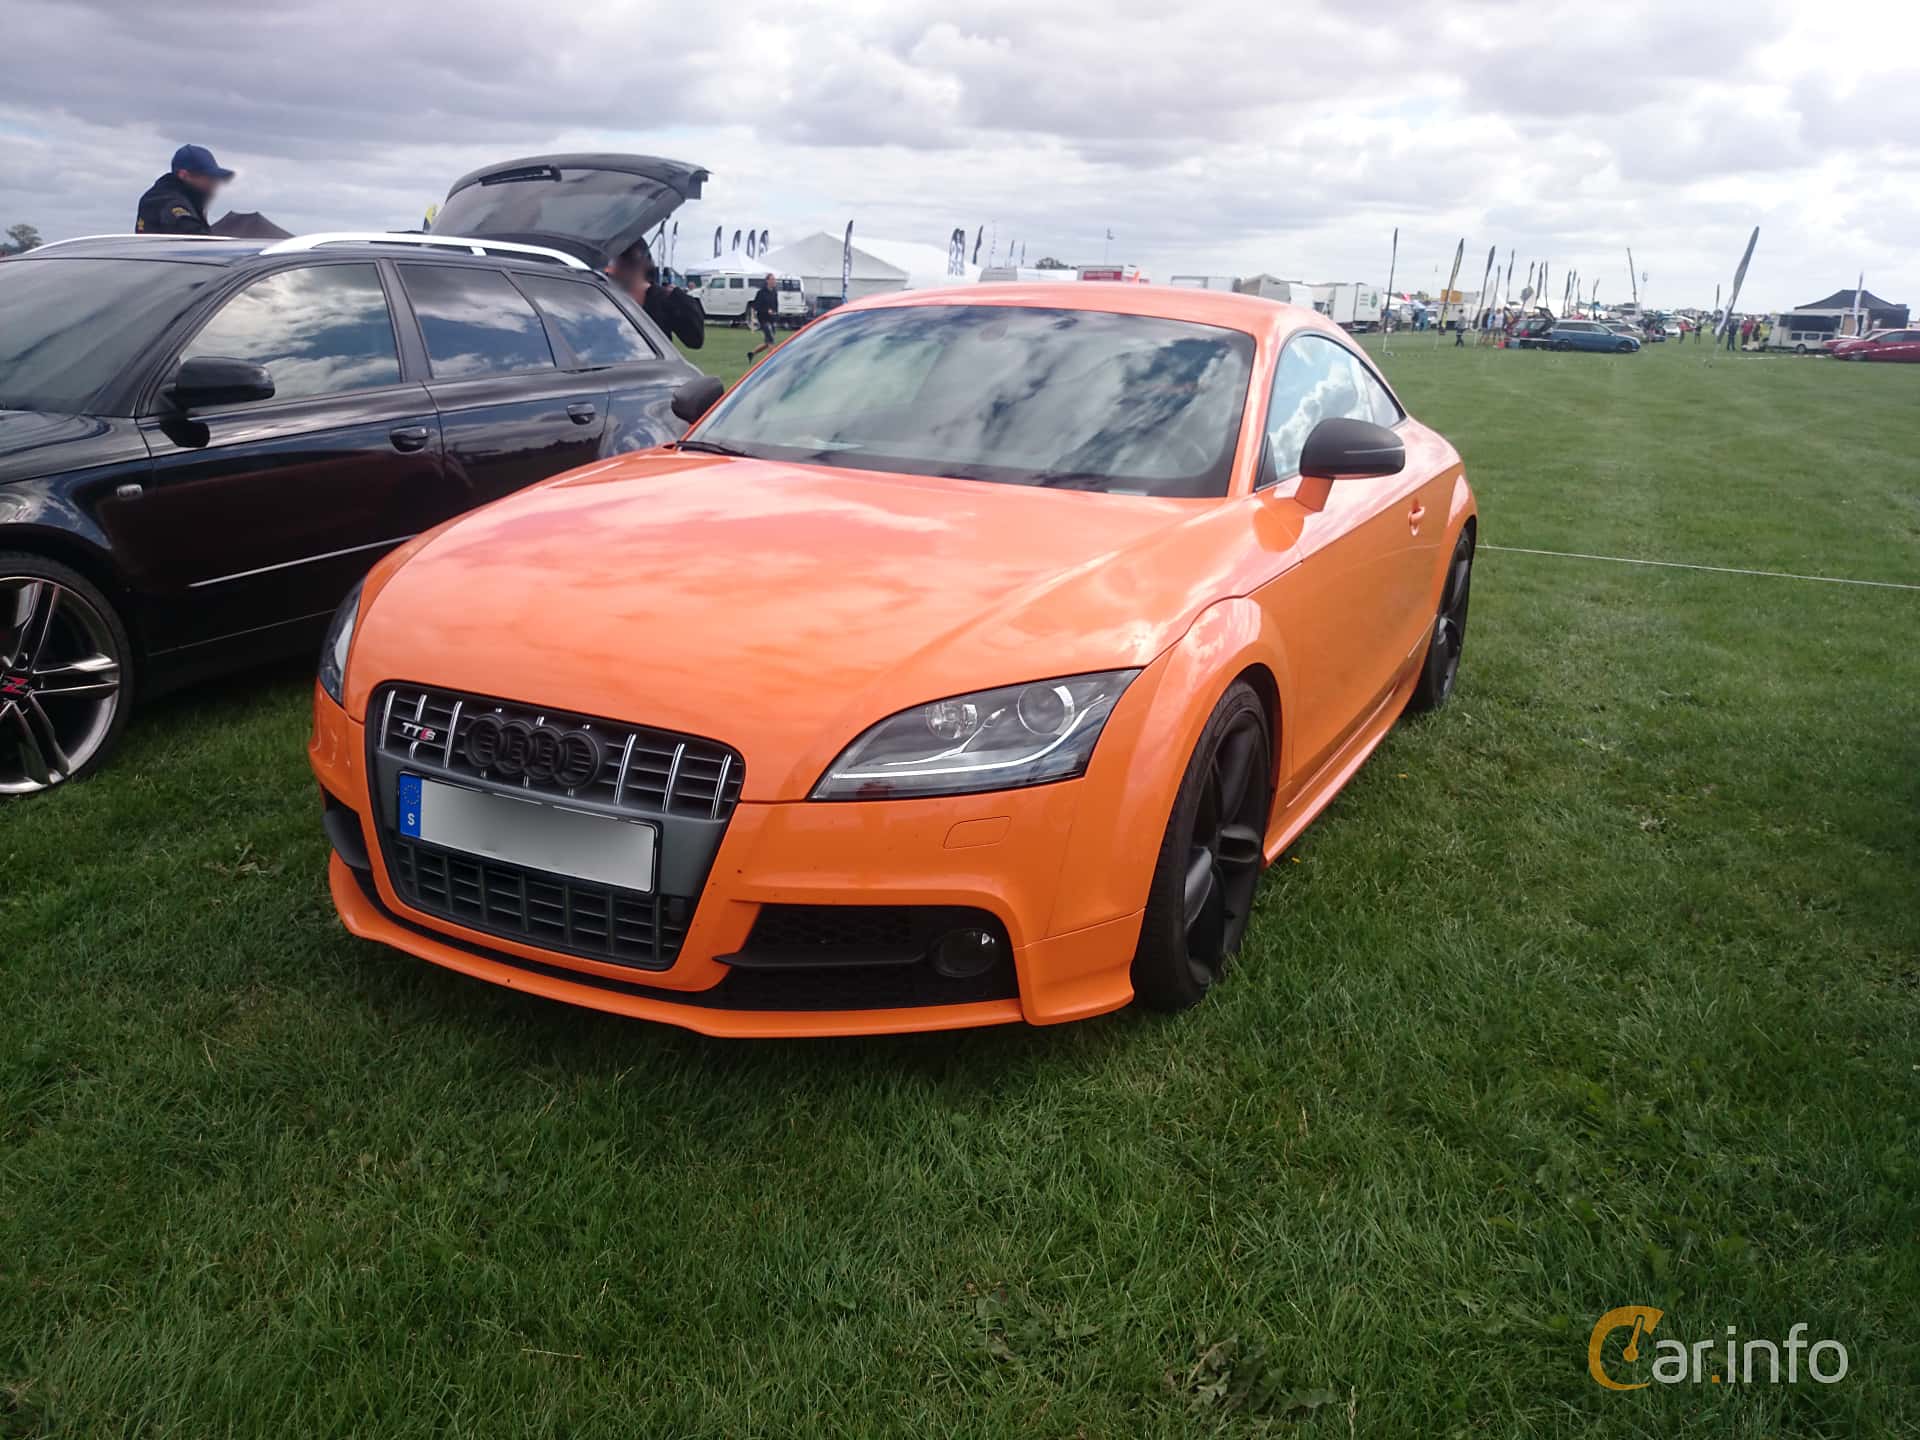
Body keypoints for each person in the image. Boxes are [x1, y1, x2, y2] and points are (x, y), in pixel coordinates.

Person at [608, 240, 704, 349]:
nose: (612, 269)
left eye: (617, 262)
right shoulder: (606, 297)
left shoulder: (663, 298)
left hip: (652, 364)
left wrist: (680, 299)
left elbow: (695, 340)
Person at [135, 144, 233, 235]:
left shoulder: (159, 196)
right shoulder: (171, 204)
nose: (214, 184)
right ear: (184, 175)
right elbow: (197, 243)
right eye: (208, 178)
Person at [746, 274, 780, 360]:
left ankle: (752, 354)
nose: (774, 281)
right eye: (772, 279)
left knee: (767, 342)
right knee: (771, 340)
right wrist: (766, 310)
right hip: (764, 319)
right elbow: (756, 306)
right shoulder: (761, 293)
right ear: (767, 281)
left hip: (772, 319)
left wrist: (775, 313)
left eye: (774, 280)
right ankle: (770, 361)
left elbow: (776, 305)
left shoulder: (774, 292)